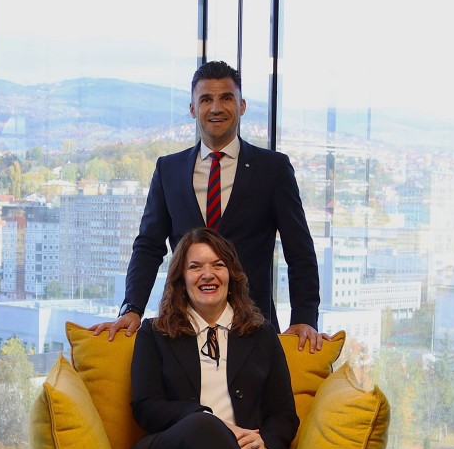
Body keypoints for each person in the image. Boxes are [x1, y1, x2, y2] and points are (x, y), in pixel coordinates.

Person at [127, 227, 327, 449]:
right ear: (180, 278)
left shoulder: (262, 335)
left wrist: (266, 444)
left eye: (217, 265)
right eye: (195, 266)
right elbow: (146, 407)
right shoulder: (153, 333)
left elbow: (283, 414)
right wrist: (212, 424)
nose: (208, 274)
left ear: (232, 274)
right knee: (203, 423)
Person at [92, 60, 324, 352]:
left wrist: (304, 318)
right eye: (205, 100)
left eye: (226, 98)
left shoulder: (273, 169)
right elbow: (148, 246)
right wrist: (132, 308)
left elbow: (299, 250)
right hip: (181, 327)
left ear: (241, 106)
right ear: (193, 109)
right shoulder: (168, 170)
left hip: (253, 328)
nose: (216, 108)